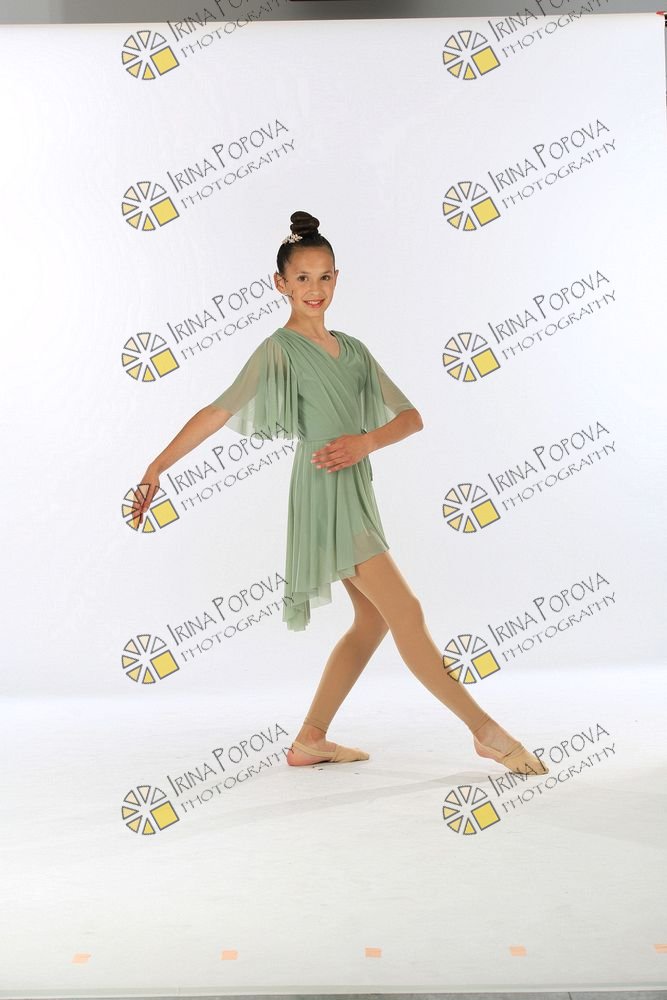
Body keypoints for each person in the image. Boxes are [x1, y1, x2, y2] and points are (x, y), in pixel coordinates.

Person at [132, 210, 548, 777]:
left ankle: (310, 740)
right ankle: (486, 732)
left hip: (355, 484)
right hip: (322, 489)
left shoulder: (352, 350)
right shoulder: (278, 349)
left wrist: (365, 441)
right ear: (280, 284)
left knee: (373, 622)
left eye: (325, 276)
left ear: (337, 279)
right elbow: (218, 410)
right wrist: (158, 466)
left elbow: (411, 418)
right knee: (406, 611)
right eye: (302, 278)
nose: (315, 288)